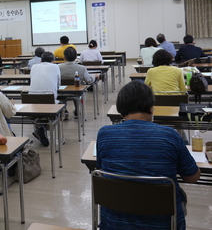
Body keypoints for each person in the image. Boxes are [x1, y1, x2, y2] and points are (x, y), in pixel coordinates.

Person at [96, 81, 200, 230]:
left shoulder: (104, 134)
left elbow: (101, 170)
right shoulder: (170, 135)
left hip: (114, 223)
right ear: (151, 108)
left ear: (121, 111)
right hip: (163, 224)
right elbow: (192, 177)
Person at [29, 51, 60, 147]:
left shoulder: (34, 67)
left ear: (41, 60)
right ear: (53, 61)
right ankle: (42, 127)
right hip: (49, 99)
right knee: (59, 110)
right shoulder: (55, 67)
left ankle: (41, 128)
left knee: (41, 109)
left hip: (31, 100)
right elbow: (58, 84)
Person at [60, 47, 95, 117]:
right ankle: (77, 110)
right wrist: (94, 76)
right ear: (76, 57)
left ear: (64, 57)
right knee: (79, 90)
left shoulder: (58, 68)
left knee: (62, 91)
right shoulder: (82, 68)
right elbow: (88, 80)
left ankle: (64, 110)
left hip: (62, 93)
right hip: (77, 93)